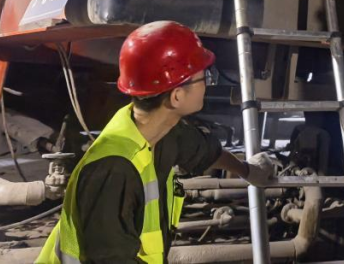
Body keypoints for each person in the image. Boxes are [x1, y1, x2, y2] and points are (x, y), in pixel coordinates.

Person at [39, 21, 276, 264]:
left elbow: (205, 150)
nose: (208, 83)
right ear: (176, 96)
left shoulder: (160, 130)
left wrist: (247, 170)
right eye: (203, 77)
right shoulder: (114, 170)